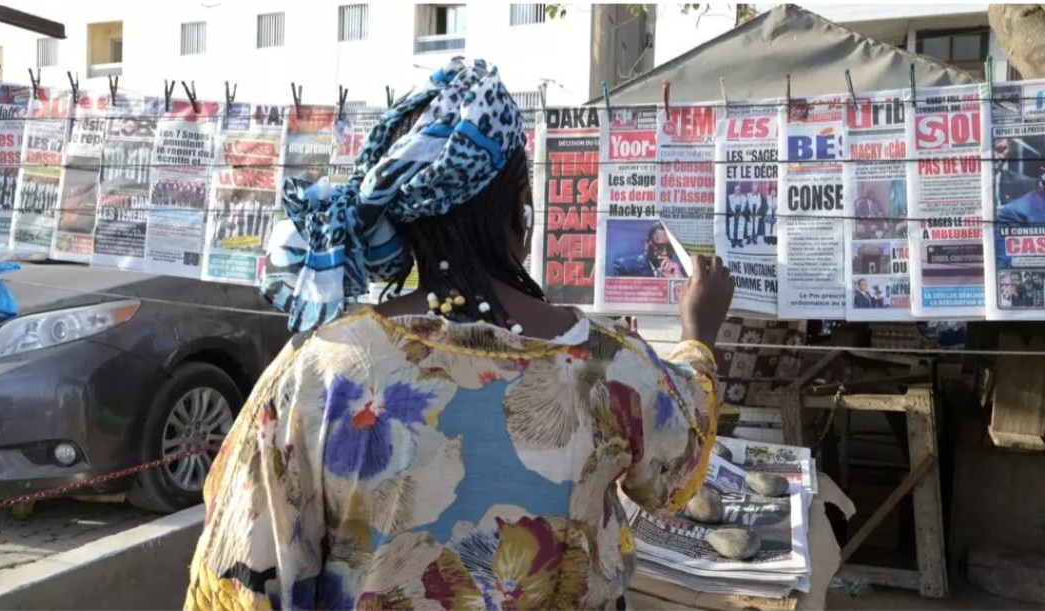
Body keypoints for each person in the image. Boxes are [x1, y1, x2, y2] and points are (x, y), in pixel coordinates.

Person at [186, 58, 734, 611]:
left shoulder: (319, 368)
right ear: (522, 205)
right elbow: (674, 474)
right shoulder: (607, 365)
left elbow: (240, 576)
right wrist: (699, 334)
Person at [610, 221, 685, 278]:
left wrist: (677, 280)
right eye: (659, 247)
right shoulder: (624, 267)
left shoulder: (680, 272)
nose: (665, 253)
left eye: (670, 247)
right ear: (647, 244)